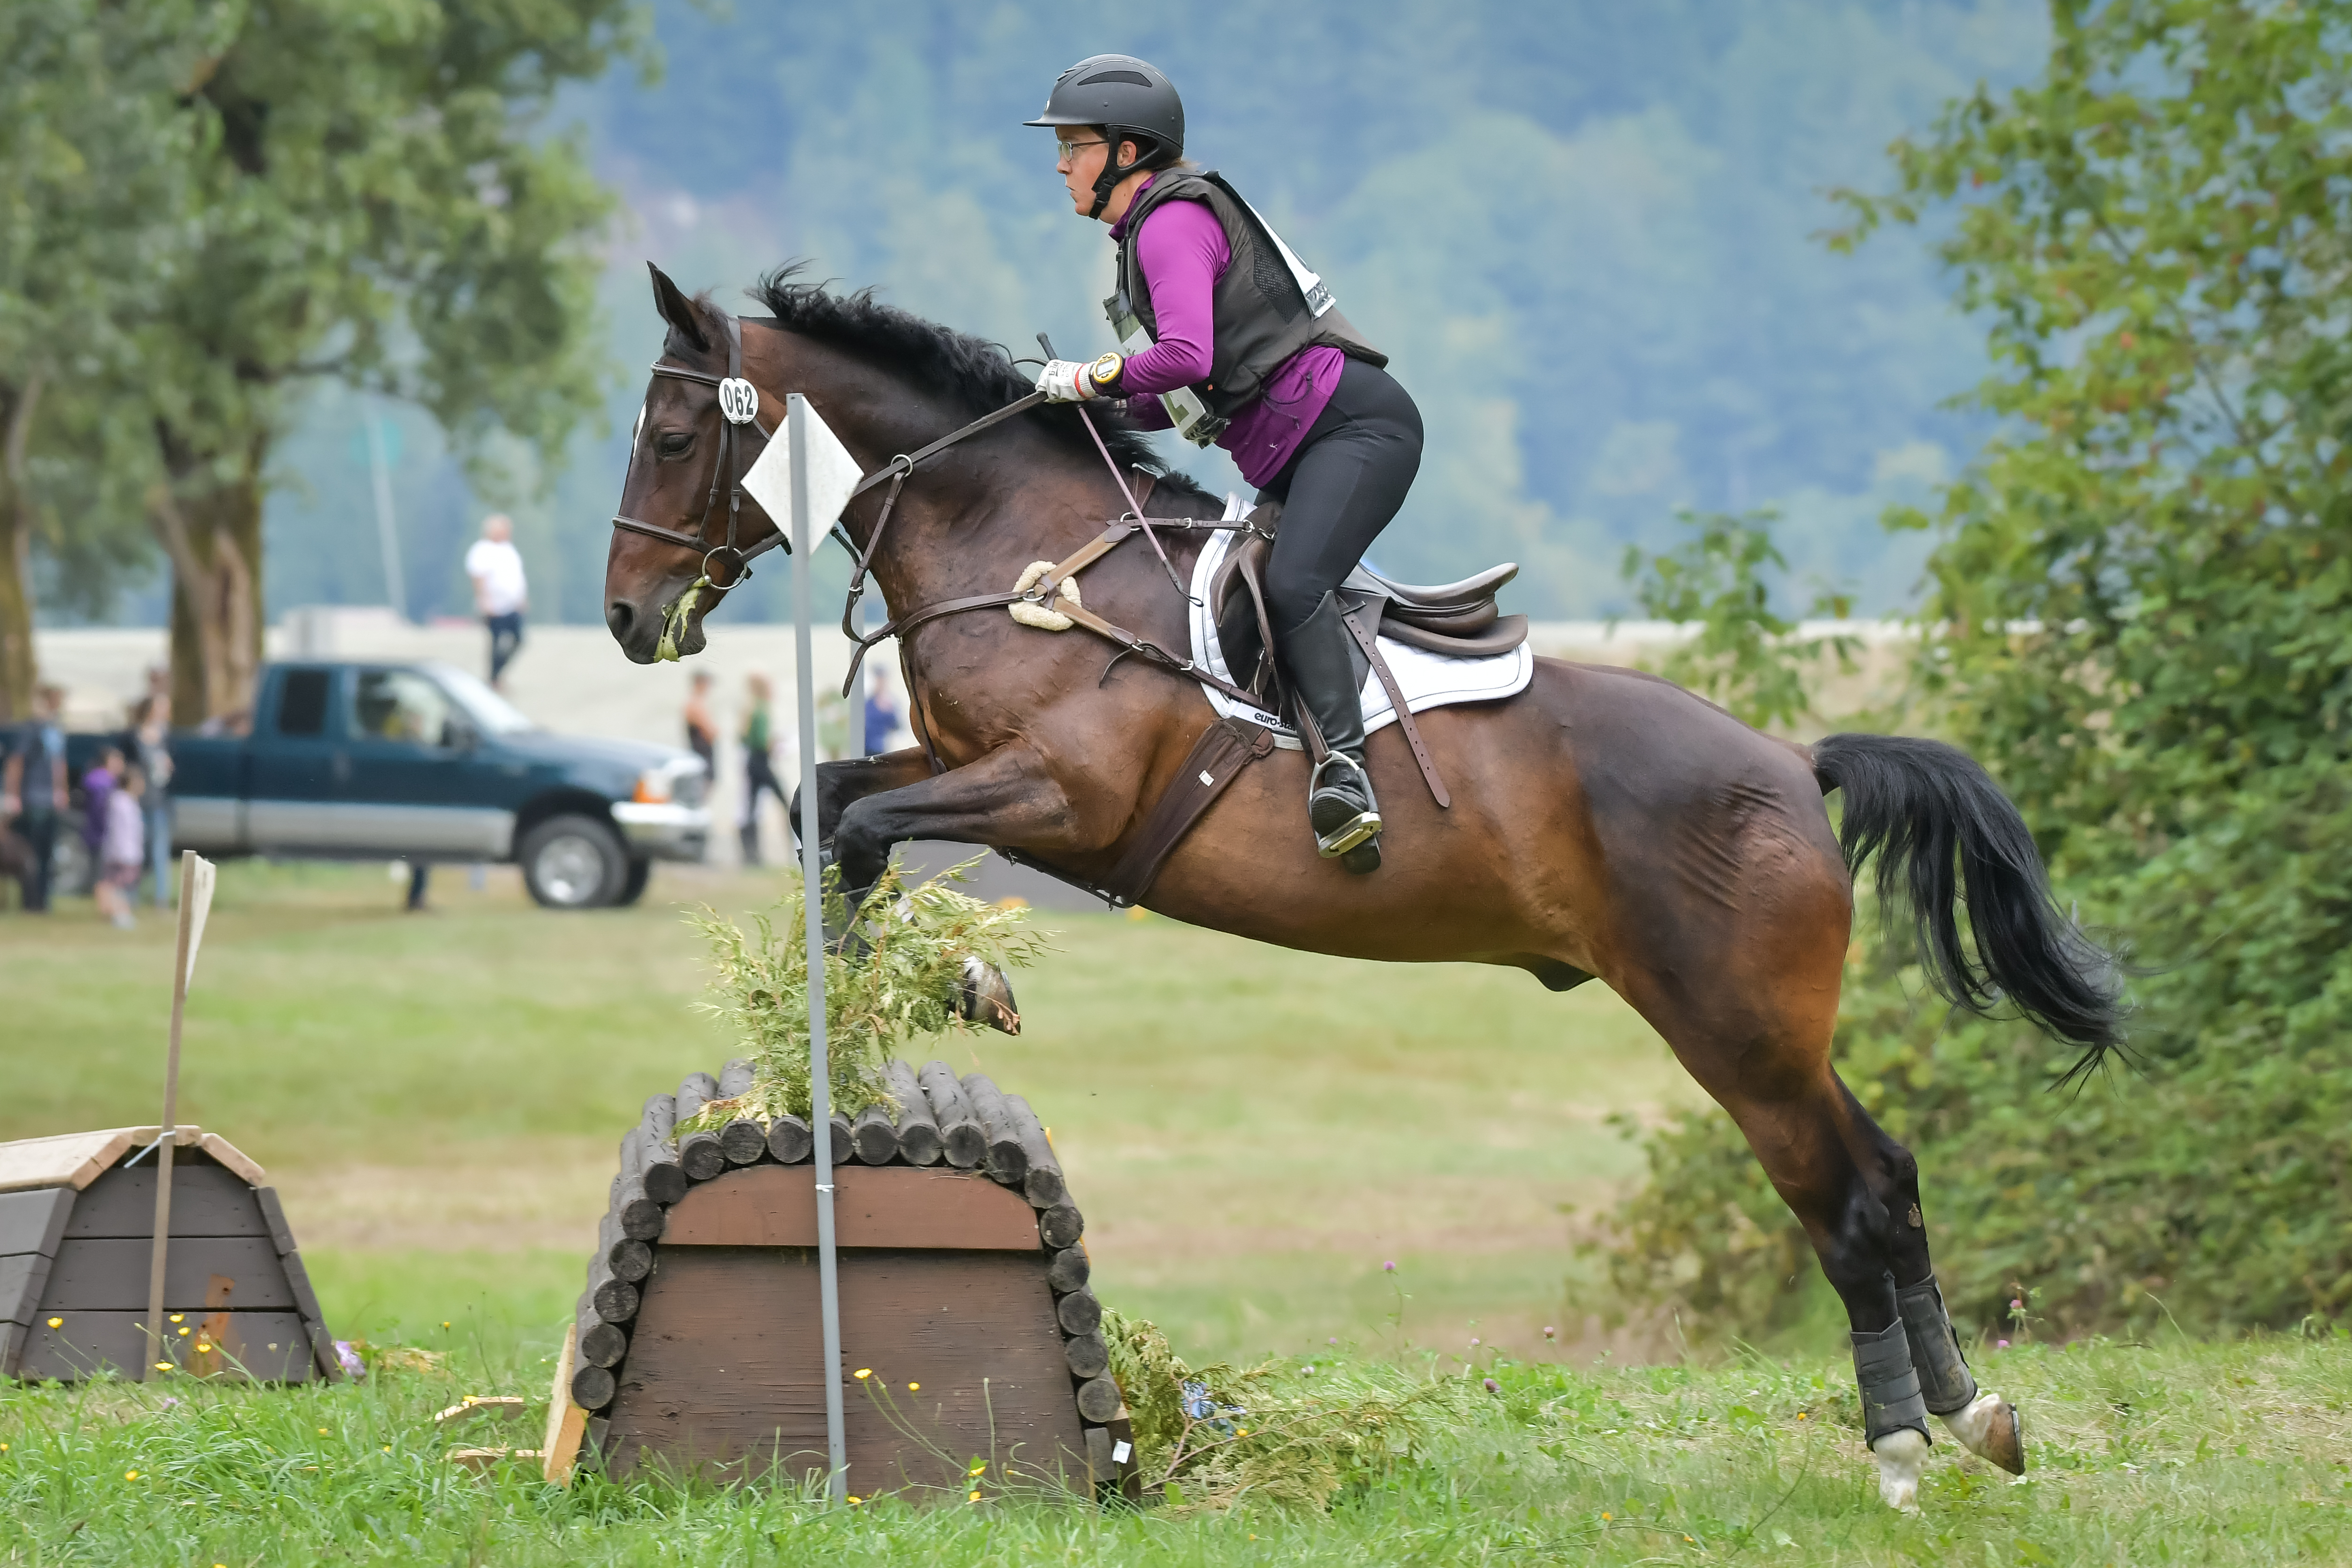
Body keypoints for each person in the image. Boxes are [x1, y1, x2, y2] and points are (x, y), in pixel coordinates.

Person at [1026, 56, 1422, 874]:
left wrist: (1088, 377)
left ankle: (1344, 769)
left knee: (1291, 586)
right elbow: (1183, 392)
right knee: (1236, 607)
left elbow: (1181, 354)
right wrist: (1088, 409)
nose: (1062, 165)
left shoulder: (1169, 223)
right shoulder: (1148, 232)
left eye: (1074, 147)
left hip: (1353, 431)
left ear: (1127, 152)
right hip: (1302, 447)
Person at [3, 685, 69, 912]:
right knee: (30, 855)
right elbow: (16, 762)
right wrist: (13, 795)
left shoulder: (55, 729)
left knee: (47, 854)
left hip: (50, 800)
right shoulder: (31, 729)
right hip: (33, 799)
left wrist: (62, 791)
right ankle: (31, 902)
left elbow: (58, 764)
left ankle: (43, 901)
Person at [465, 513, 529, 689]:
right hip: (494, 607)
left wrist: (521, 598)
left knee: (519, 640)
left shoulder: (509, 550)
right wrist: (484, 603)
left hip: (511, 605)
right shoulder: (482, 550)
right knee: (496, 643)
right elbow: (479, 579)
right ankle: (493, 677)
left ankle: (498, 674)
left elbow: (516, 577)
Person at [129, 686, 175, 906]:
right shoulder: (133, 736)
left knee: (159, 850)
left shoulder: (165, 737)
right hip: (138, 800)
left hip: (159, 800)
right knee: (136, 849)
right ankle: (131, 894)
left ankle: (161, 897)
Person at [738, 671, 787, 867]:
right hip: (761, 762)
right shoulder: (761, 710)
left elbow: (743, 738)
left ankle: (751, 854)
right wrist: (776, 745)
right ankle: (796, 846)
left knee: (751, 806)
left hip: (752, 761)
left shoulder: (750, 709)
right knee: (785, 802)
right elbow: (762, 741)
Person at [95, 764, 145, 930]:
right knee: (118, 885)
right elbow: (121, 831)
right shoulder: (122, 803)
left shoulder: (127, 802)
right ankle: (119, 914)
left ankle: (121, 913)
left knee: (120, 885)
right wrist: (122, 852)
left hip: (126, 851)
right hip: (122, 853)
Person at [684, 669, 718, 773]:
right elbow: (709, 732)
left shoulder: (693, 701)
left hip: (698, 751)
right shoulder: (696, 704)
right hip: (702, 752)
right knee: (706, 781)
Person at [862, 676, 899, 756]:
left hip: (879, 749)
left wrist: (889, 712)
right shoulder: (868, 703)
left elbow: (897, 727)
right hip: (864, 747)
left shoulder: (890, 703)